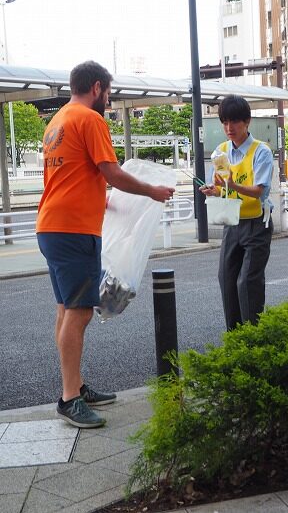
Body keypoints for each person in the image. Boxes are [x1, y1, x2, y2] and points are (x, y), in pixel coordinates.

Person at [36, 61, 175, 429]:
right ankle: (69, 398)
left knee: (66, 308)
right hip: (73, 230)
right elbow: (110, 171)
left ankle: (75, 386)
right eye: (109, 94)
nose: (108, 102)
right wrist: (152, 191)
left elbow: (71, 177)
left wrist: (105, 201)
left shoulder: (59, 121)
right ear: (97, 87)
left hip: (51, 225)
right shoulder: (89, 119)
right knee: (80, 311)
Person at [199, 95, 274, 331]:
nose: (229, 128)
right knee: (227, 279)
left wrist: (232, 186)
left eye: (235, 122)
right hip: (232, 222)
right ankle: (235, 337)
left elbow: (259, 191)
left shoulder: (261, 151)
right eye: (224, 122)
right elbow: (222, 188)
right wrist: (213, 191)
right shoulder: (221, 152)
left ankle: (252, 338)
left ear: (247, 122)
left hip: (256, 224)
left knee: (247, 282)